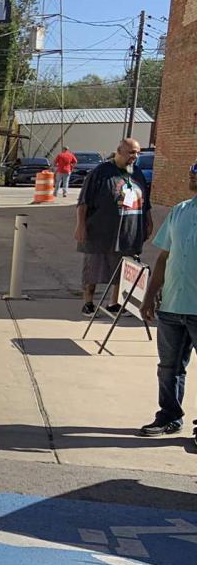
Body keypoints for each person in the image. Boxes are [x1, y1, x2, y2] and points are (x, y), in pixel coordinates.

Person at [138, 162, 197, 440]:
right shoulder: (180, 210)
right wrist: (149, 296)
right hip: (172, 305)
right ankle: (169, 417)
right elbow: (163, 257)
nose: (192, 176)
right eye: (192, 172)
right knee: (168, 368)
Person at [75, 138, 152, 316]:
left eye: (137, 153)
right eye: (131, 152)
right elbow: (83, 202)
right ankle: (88, 303)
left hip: (129, 232)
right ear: (119, 151)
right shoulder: (100, 172)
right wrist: (80, 225)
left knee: (122, 270)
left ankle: (114, 303)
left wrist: (148, 221)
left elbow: (145, 201)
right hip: (100, 231)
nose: (135, 156)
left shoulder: (137, 173)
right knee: (93, 269)